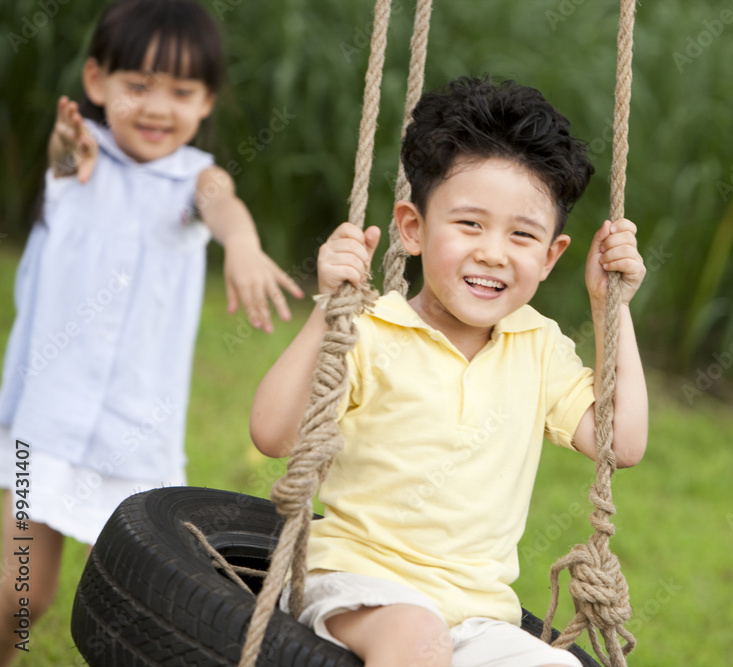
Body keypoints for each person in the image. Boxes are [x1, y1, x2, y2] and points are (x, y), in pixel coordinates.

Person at [250, 77, 648, 667]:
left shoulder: (536, 347)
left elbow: (622, 442)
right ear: (412, 228)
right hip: (358, 585)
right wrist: (326, 312)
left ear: (550, 256)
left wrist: (611, 307)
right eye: (469, 224)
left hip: (478, 614)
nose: (493, 251)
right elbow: (274, 432)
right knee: (416, 638)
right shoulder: (370, 329)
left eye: (522, 234)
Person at [0, 0, 302, 662]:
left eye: (181, 91)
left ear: (206, 102)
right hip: (39, 429)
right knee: (17, 593)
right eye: (137, 85)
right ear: (96, 81)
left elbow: (221, 200)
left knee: (152, 604)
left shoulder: (192, 178)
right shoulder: (77, 161)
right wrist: (69, 143)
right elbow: (61, 155)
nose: (156, 106)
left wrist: (245, 247)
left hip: (136, 439)